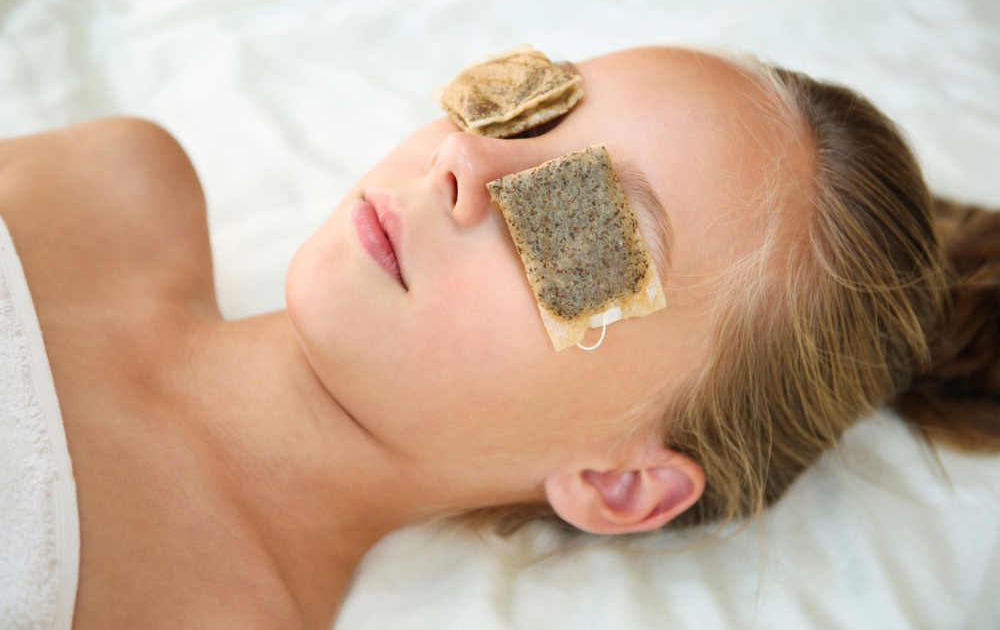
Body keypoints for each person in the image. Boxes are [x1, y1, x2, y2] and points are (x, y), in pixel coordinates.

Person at [0, 45, 996, 629]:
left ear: (619, 483)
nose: (462, 157)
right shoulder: (110, 186)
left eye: (581, 222)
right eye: (527, 104)